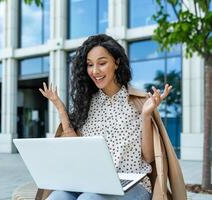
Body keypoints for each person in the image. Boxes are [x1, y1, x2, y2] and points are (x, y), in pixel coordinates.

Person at [38, 34, 186, 200]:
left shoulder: (138, 102)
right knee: (57, 197)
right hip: (92, 181)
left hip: (133, 185)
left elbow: (149, 157)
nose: (95, 71)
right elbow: (76, 148)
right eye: (90, 65)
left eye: (102, 63)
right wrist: (61, 109)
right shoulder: (87, 104)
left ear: (116, 63)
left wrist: (146, 115)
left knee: (89, 198)